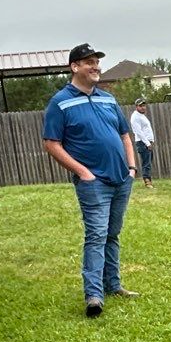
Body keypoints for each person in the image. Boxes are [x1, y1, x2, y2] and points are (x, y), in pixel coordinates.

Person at [42, 44, 140, 317]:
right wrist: (83, 172)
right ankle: (94, 296)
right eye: (89, 62)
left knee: (112, 234)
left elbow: (124, 136)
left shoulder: (108, 99)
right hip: (93, 183)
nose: (96, 67)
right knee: (96, 235)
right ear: (75, 67)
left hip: (121, 179)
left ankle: (114, 285)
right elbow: (51, 143)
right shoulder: (60, 102)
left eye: (97, 62)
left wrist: (131, 167)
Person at [129, 99, 157, 185]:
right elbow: (138, 132)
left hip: (147, 142)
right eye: (140, 106)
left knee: (148, 162)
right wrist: (147, 143)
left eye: (144, 106)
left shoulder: (141, 116)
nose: (143, 108)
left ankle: (149, 180)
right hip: (142, 142)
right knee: (146, 163)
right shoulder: (135, 117)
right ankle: (147, 182)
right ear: (136, 106)